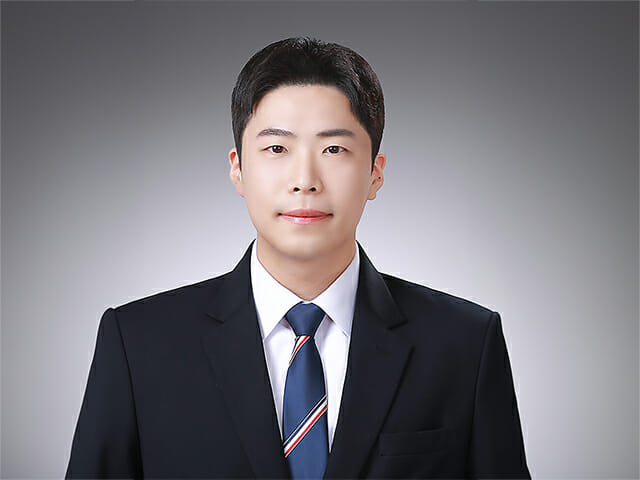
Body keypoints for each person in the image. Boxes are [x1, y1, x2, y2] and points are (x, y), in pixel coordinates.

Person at [65, 37, 530, 479]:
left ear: (375, 173)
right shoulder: (138, 344)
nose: (304, 180)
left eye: (334, 149)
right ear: (238, 169)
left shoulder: (464, 344)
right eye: (276, 148)